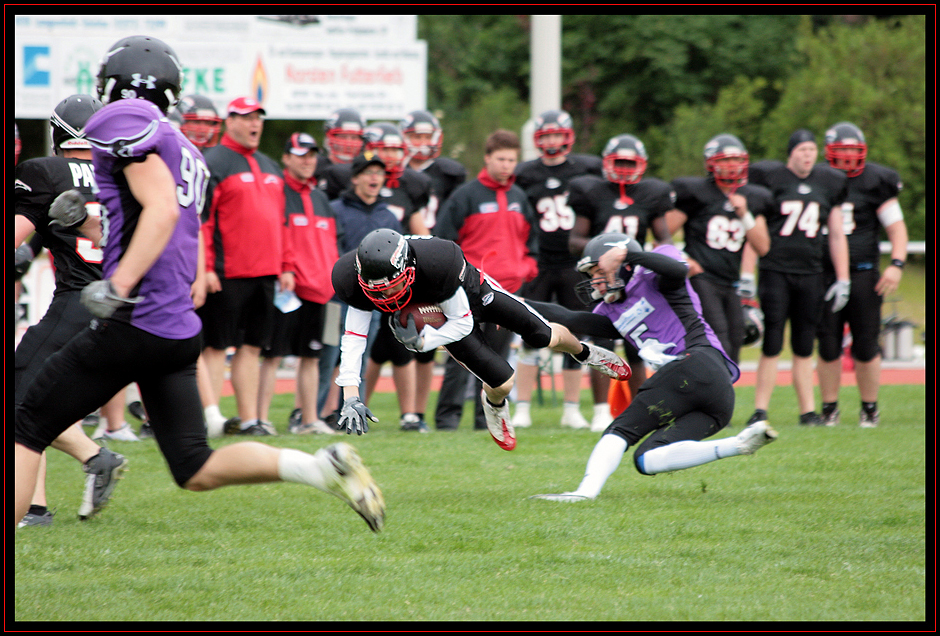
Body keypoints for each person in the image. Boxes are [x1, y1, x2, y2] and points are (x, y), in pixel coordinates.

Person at [14, 35, 385, 533]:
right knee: (194, 466)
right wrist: (86, 222)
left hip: (134, 318)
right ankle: (317, 466)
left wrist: (118, 284)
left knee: (23, 424)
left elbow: (161, 210)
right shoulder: (183, 146)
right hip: (174, 329)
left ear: (115, 85)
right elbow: (153, 218)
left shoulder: (122, 118)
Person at [330, 228, 632, 452]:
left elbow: (461, 323)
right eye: (376, 290)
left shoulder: (439, 260)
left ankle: (583, 352)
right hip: (437, 316)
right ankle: (495, 405)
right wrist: (351, 396)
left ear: (407, 269)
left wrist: (425, 342)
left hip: (471, 296)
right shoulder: (349, 278)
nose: (384, 296)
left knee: (544, 335)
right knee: (503, 382)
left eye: (390, 287)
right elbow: (354, 336)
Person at [528, 233, 778, 502]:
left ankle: (585, 492)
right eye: (591, 275)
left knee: (620, 431)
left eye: (600, 271)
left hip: (696, 361)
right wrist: (508, 304)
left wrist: (627, 255)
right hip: (716, 392)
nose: (595, 282)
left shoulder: (653, 276)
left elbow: (676, 269)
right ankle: (740, 443)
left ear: (623, 264)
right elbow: (568, 317)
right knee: (646, 459)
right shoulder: (611, 312)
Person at [14, 94, 129, 526]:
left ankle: (39, 502)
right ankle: (90, 462)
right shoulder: (124, 172)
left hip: (77, 302)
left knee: (20, 396)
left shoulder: (45, 171)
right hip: (124, 307)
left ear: (58, 132)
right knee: (39, 396)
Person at [200, 95, 296, 436]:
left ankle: (251, 419)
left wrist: (285, 265)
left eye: (259, 117)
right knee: (214, 346)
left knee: (252, 348)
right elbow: (204, 222)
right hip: (226, 273)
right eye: (246, 117)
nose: (255, 123)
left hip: (267, 273)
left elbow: (281, 221)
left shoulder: (270, 166)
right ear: (230, 122)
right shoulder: (214, 162)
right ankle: (210, 420)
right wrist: (207, 267)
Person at [741, 129, 850, 427]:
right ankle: (760, 409)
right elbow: (756, 232)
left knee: (804, 345)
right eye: (802, 150)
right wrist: (747, 273)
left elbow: (837, 234)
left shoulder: (828, 183)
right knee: (772, 342)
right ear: (791, 152)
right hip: (776, 270)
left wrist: (843, 278)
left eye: (812, 150)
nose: (807, 155)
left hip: (812, 273)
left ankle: (807, 411)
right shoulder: (770, 179)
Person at [433, 129, 539, 432]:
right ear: (487, 158)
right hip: (465, 291)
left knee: (495, 360)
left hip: (506, 291)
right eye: (501, 159)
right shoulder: (465, 196)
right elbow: (443, 241)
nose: (507, 165)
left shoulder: (520, 198)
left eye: (512, 160)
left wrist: (525, 268)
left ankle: (486, 422)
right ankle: (447, 421)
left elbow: (532, 243)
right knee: (461, 356)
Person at [567, 133, 675, 430]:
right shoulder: (591, 192)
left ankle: (642, 407)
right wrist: (603, 249)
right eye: (620, 161)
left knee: (636, 342)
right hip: (600, 276)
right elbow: (575, 240)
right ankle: (602, 411)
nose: (625, 167)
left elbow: (664, 238)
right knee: (600, 340)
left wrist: (646, 258)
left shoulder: (651, 194)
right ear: (607, 163)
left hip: (633, 278)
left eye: (630, 162)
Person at [512, 109, 607, 431]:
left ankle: (571, 408)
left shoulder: (588, 168)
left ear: (567, 137)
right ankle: (522, 407)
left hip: (573, 264)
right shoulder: (525, 173)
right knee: (529, 333)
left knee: (575, 336)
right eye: (547, 135)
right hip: (539, 261)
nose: (552, 141)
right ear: (539, 139)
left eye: (557, 135)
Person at [816, 122, 908, 427]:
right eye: (840, 152)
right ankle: (829, 408)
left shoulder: (876, 180)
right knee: (828, 343)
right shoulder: (818, 179)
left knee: (866, 344)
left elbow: (896, 227)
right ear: (829, 153)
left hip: (865, 274)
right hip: (824, 274)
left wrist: (896, 264)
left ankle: (870, 408)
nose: (846, 159)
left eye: (851, 152)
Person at [257, 132, 343, 435]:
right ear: (286, 157)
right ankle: (261, 420)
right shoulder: (277, 191)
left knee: (312, 357)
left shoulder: (320, 197)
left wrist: (336, 282)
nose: (307, 161)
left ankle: (310, 420)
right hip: (289, 288)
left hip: (324, 291)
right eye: (300, 154)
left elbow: (331, 245)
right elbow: (275, 236)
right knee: (273, 356)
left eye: (311, 155)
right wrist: (285, 268)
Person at [666, 133, 773, 363]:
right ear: (710, 163)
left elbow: (763, 247)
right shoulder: (696, 192)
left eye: (736, 159)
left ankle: (724, 395)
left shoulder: (752, 197)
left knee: (735, 341)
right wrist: (684, 258)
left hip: (731, 281)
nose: (731, 165)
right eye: (725, 160)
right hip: (702, 278)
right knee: (719, 338)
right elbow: (662, 234)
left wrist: (744, 214)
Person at [360, 121, 433, 431]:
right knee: (370, 345)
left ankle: (410, 413)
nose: (390, 155)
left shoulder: (410, 186)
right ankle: (359, 405)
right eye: (384, 148)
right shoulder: (356, 182)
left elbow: (423, 234)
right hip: (362, 272)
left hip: (397, 279)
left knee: (397, 342)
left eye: (394, 148)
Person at [400, 109, 468, 431]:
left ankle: (417, 412)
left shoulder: (450, 174)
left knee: (428, 336)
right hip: (396, 262)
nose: (422, 143)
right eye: (416, 136)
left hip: (434, 263)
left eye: (427, 136)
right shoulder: (392, 173)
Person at [317, 107, 367, 200]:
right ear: (329, 137)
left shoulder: (366, 164)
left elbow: (373, 157)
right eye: (343, 136)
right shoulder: (315, 165)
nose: (348, 143)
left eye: (354, 137)